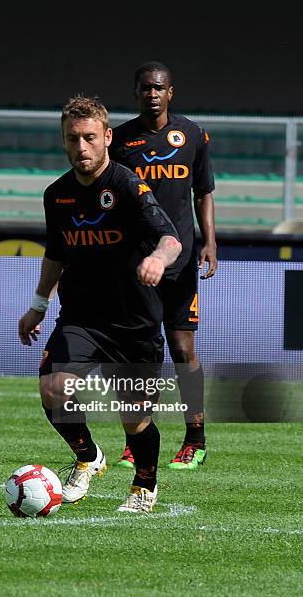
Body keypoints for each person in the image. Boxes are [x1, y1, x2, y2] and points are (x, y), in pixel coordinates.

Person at [18, 95, 182, 513]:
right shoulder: (57, 195)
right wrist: (38, 304)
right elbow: (56, 253)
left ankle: (145, 486)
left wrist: (157, 259)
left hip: (136, 322)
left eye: (90, 137)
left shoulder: (127, 185)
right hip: (83, 318)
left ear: (107, 137)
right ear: (64, 141)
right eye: (73, 139)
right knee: (53, 390)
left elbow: (171, 238)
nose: (82, 147)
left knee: (135, 418)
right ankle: (89, 457)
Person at [109, 61, 217, 471]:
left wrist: (210, 241)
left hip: (182, 261)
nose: (152, 94)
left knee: (181, 348)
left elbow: (203, 192)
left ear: (171, 92)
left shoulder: (192, 135)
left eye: (159, 88)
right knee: (140, 351)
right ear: (135, 93)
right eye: (145, 88)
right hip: (136, 265)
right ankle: (139, 437)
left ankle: (195, 439)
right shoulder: (118, 140)